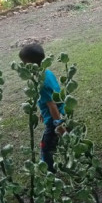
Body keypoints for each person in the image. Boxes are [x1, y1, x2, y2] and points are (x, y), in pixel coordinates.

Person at [19, 44, 65, 173]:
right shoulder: (47, 73)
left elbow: (52, 104)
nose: (23, 66)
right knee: (66, 137)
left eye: (24, 63)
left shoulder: (41, 83)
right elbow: (51, 96)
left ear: (30, 65)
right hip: (61, 111)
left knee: (46, 147)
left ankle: (49, 171)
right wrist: (42, 111)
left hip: (54, 119)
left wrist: (58, 125)